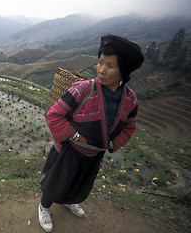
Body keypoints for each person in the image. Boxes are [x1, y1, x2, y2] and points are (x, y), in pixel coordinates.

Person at [38, 34, 144, 232]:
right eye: (100, 62)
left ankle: (68, 200)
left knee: (79, 182)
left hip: (94, 154)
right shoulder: (84, 89)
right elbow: (55, 114)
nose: (102, 70)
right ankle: (44, 207)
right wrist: (75, 136)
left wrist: (113, 144)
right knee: (56, 182)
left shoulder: (130, 100)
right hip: (68, 150)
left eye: (110, 66)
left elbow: (129, 128)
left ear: (124, 71)